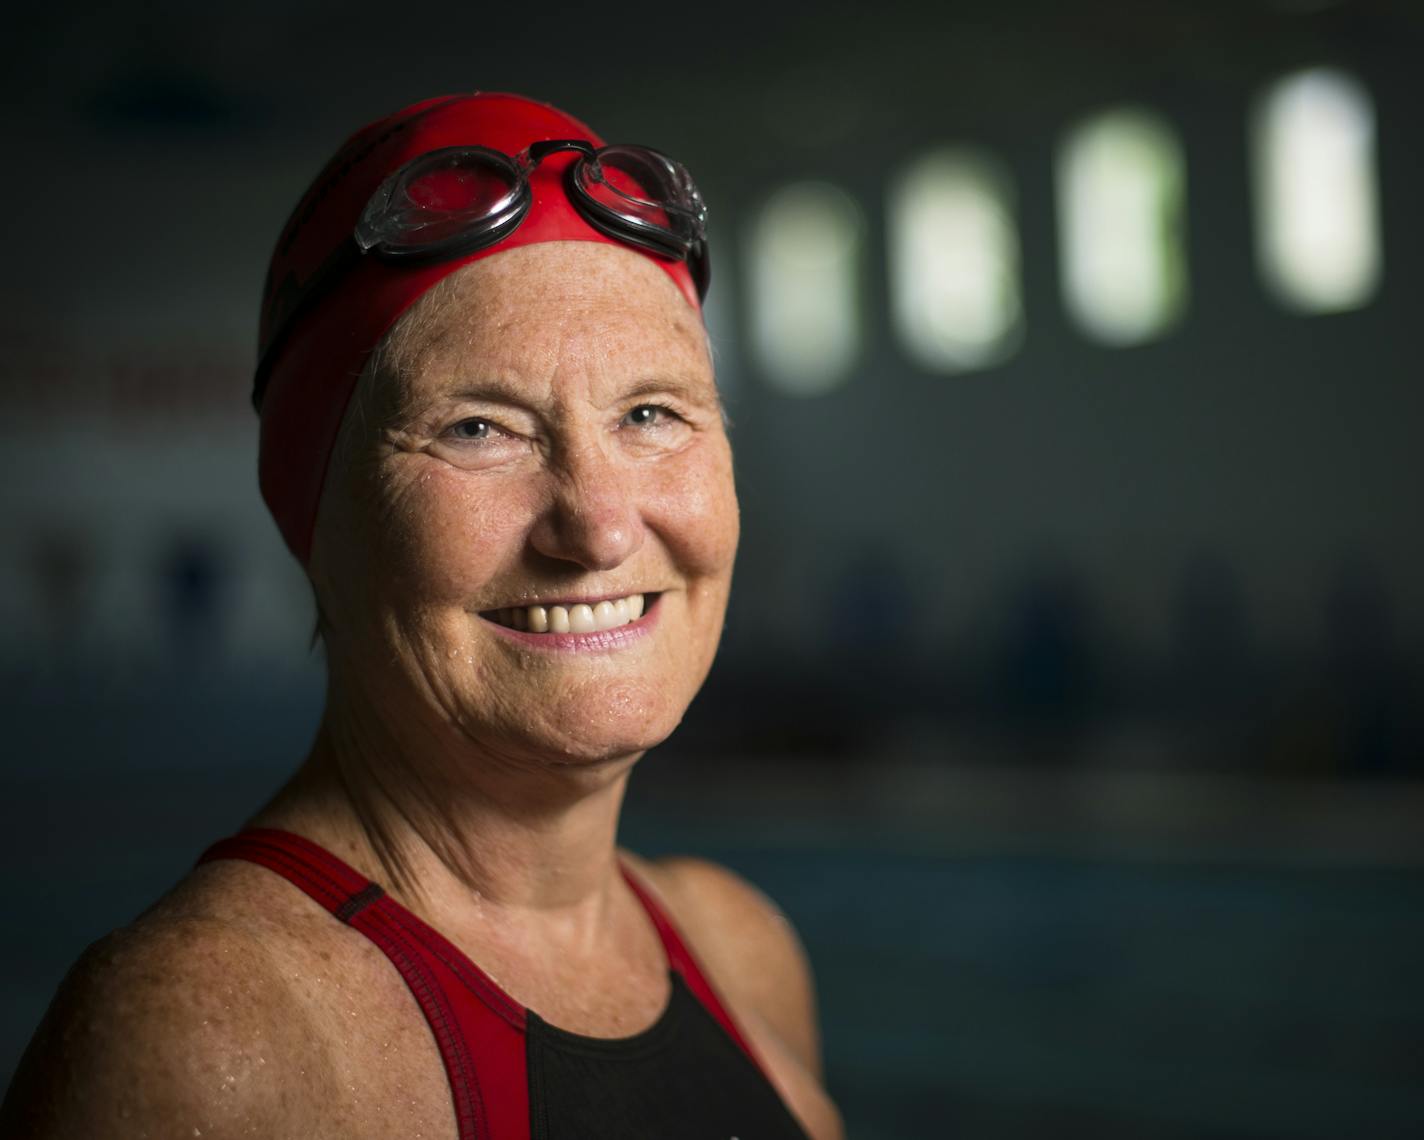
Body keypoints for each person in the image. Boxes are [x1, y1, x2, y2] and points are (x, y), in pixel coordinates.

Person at [1, 93, 842, 1139]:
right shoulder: (213, 1038)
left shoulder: (737, 947)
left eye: (650, 414)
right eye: (479, 427)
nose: (594, 526)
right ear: (316, 514)